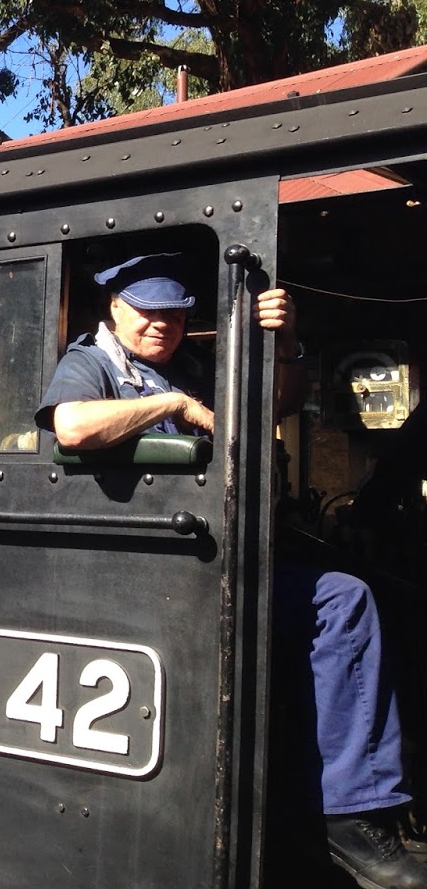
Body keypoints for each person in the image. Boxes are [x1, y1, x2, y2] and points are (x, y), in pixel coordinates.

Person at [37, 253, 427, 889]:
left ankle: (351, 812)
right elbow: (73, 426)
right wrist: (176, 407)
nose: (161, 325)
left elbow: (278, 400)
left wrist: (288, 339)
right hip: (127, 567)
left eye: (173, 314)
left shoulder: (190, 364)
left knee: (344, 594)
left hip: (211, 552)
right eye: (147, 313)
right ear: (114, 308)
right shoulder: (92, 362)